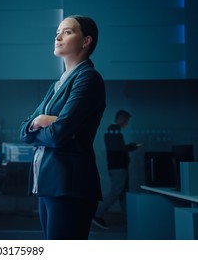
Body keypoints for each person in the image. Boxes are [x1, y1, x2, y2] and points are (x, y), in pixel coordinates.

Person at [19, 15, 106, 239]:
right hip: (49, 185)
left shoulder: (88, 78)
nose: (58, 37)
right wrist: (40, 122)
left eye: (67, 32)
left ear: (86, 41)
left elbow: (59, 135)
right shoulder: (57, 85)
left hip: (70, 185)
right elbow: (24, 131)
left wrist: (46, 123)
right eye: (57, 32)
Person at [92, 109, 140, 229]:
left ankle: (130, 219)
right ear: (121, 118)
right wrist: (130, 147)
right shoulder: (113, 130)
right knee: (116, 192)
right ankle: (97, 214)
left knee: (123, 194)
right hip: (118, 167)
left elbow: (117, 148)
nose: (127, 123)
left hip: (119, 166)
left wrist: (128, 147)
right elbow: (117, 148)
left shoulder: (114, 130)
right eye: (126, 120)